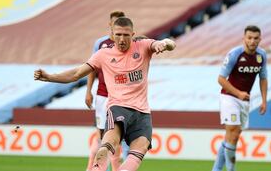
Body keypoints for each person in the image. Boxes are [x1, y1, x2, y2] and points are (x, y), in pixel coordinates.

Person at [35, 17, 176, 171]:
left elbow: (168, 43)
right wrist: (49, 77)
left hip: (142, 112)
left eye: (126, 35)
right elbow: (76, 74)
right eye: (118, 35)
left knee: (141, 148)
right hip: (118, 107)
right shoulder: (103, 54)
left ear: (133, 34)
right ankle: (100, 161)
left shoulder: (143, 46)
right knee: (109, 144)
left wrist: (165, 43)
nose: (122, 39)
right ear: (112, 35)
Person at [212, 25, 268, 171]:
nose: (252, 41)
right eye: (249, 38)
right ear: (244, 38)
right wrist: (238, 93)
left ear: (260, 39)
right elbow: (221, 79)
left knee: (231, 136)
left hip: (244, 100)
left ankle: (216, 169)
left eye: (256, 38)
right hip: (229, 97)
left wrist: (264, 100)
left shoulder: (261, 56)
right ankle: (231, 169)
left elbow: (263, 78)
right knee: (234, 132)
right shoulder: (235, 54)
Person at [85, 11, 125, 171]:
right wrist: (88, 91)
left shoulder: (127, 45)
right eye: (115, 23)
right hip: (102, 96)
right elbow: (91, 68)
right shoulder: (101, 44)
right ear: (110, 24)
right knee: (101, 138)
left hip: (120, 98)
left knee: (116, 138)